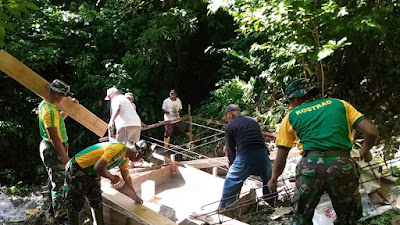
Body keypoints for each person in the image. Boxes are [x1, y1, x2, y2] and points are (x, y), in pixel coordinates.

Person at [267, 78, 379, 225]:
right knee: (348, 217)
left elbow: (281, 157)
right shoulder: (339, 104)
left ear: (294, 99)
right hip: (342, 165)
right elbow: (371, 132)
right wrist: (365, 150)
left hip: (310, 168)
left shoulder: (291, 117)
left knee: (302, 217)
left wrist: (274, 178)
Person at [65, 141, 143, 225]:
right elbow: (98, 167)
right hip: (80, 168)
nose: (139, 161)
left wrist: (135, 197)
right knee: (75, 203)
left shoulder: (125, 157)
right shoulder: (118, 150)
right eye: (141, 159)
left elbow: (127, 177)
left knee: (96, 200)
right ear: (137, 155)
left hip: (93, 172)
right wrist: (112, 178)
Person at [219, 104, 275, 209]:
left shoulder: (230, 127)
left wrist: (231, 164)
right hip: (262, 153)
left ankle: (226, 208)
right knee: (268, 178)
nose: (227, 120)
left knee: (231, 181)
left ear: (230, 114)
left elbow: (230, 150)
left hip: (246, 155)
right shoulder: (252, 121)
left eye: (226, 117)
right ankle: (272, 201)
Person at [38, 79, 77, 224]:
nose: (63, 98)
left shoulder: (48, 106)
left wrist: (68, 109)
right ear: (55, 93)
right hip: (54, 149)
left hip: (53, 148)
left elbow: (57, 120)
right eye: (62, 95)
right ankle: (61, 217)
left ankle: (51, 209)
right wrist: (65, 157)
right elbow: (54, 137)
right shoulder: (48, 111)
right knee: (59, 183)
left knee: (55, 179)